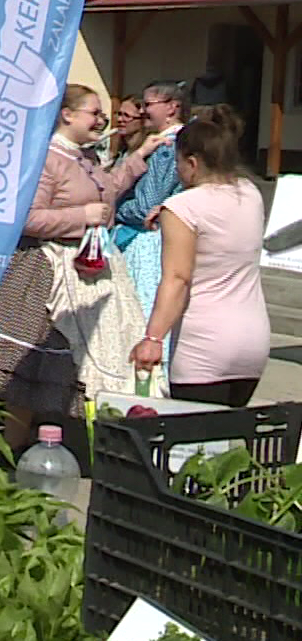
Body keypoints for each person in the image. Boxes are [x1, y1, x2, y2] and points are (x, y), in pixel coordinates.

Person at [0, 85, 165, 446]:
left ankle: (56, 445)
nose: (102, 120)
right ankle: (12, 450)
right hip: (48, 267)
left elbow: (108, 189)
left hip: (92, 265)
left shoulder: (85, 157)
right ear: (67, 115)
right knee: (32, 368)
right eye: (94, 113)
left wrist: (138, 158)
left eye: (103, 114)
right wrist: (80, 216)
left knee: (75, 368)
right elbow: (26, 219)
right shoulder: (46, 159)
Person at [130, 110, 268, 405]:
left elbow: (177, 279)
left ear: (191, 162)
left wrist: (153, 338)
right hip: (253, 340)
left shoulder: (183, 207)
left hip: (204, 344)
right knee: (229, 441)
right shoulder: (251, 193)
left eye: (179, 163)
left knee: (194, 444)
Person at [114, 79, 189, 317]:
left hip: (147, 243)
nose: (143, 110)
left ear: (171, 107)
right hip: (161, 238)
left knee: (141, 311)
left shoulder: (167, 146)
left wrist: (113, 208)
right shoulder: (177, 142)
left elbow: (146, 206)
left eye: (149, 104)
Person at [107, 94, 147, 169]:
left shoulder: (146, 154)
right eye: (119, 114)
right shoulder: (121, 153)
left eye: (126, 115)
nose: (119, 119)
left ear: (142, 120)